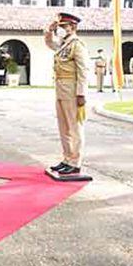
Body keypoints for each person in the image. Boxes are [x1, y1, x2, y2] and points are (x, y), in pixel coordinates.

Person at [44, 13, 89, 175]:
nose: (62, 29)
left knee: (74, 128)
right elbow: (49, 43)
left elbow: (83, 70)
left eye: (65, 26)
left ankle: (75, 162)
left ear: (73, 27)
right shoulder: (63, 44)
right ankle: (67, 159)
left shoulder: (77, 45)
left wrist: (81, 93)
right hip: (60, 88)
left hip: (72, 90)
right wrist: (50, 30)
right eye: (61, 26)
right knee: (63, 127)